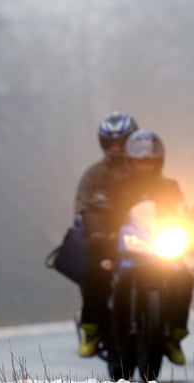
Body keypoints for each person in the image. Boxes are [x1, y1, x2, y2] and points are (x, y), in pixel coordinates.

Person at [77, 129, 194, 366]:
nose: (146, 166)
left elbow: (184, 215)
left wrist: (193, 236)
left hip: (159, 248)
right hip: (122, 247)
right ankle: (95, 329)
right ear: (131, 161)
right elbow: (97, 210)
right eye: (141, 161)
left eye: (151, 161)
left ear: (160, 162)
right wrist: (100, 234)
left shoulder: (170, 187)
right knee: (95, 274)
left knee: (185, 277)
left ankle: (174, 335)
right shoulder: (115, 185)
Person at [73, 112, 140, 358]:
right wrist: (95, 233)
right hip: (106, 241)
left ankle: (169, 330)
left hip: (143, 239)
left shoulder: (143, 170)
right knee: (94, 276)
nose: (116, 148)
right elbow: (81, 209)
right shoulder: (93, 175)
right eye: (111, 142)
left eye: (122, 142)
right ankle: (91, 329)